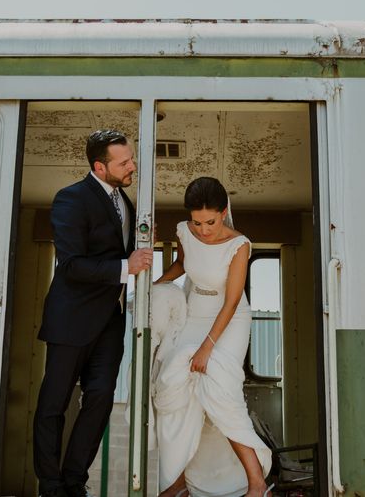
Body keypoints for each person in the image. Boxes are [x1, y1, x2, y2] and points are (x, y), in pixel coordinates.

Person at [33, 129, 154, 497]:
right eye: (124, 162)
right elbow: (70, 265)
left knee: (100, 399)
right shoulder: (70, 199)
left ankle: (74, 482)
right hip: (71, 319)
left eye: (131, 158)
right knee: (54, 404)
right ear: (100, 167)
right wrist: (125, 267)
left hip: (110, 322)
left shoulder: (127, 203)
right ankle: (51, 487)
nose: (133, 165)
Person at [151, 176, 272, 497]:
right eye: (197, 222)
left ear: (224, 212)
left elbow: (232, 302)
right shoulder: (184, 231)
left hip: (229, 320)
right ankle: (179, 480)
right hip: (194, 311)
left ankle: (256, 482)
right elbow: (181, 265)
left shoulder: (239, 245)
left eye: (211, 222)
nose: (203, 230)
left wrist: (207, 348)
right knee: (176, 387)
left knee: (219, 391)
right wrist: (154, 289)